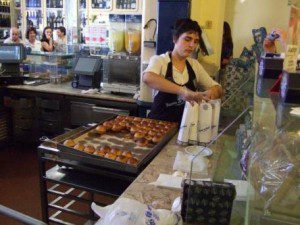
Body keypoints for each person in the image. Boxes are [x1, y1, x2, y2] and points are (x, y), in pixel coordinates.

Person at [143, 18, 223, 123]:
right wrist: (183, 91)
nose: (192, 45)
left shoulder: (194, 65)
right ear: (175, 39)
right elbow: (148, 78)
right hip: (158, 127)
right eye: (187, 39)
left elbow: (218, 88)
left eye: (196, 41)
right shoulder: (160, 61)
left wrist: (212, 92)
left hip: (185, 129)